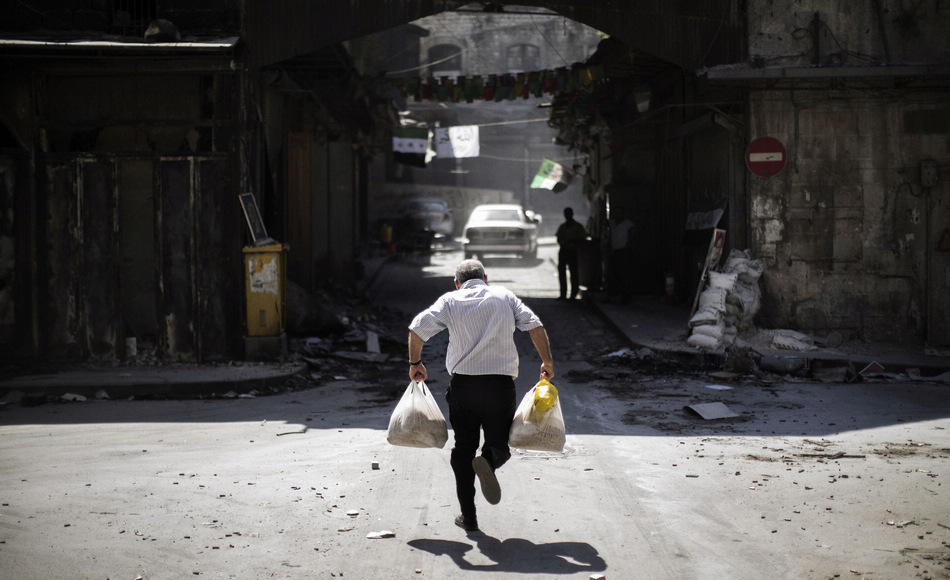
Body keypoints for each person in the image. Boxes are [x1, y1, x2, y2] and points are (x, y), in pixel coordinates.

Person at [408, 259, 554, 532]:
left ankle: (469, 517)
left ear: (456, 282)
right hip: (500, 387)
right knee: (499, 445)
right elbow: (534, 325)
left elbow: (417, 329)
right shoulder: (504, 296)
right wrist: (547, 361)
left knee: (463, 450)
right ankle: (488, 460)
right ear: (485, 278)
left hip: (464, 387)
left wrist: (415, 363)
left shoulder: (450, 300)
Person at [554, 207, 588, 300]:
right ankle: (563, 294)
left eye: (568, 214)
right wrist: (563, 242)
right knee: (562, 273)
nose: (567, 216)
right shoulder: (562, 227)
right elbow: (558, 238)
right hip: (564, 250)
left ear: (572, 214)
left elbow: (582, 239)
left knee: (574, 273)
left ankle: (573, 294)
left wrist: (572, 241)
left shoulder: (578, 227)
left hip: (573, 251)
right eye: (566, 214)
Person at [606, 205, 634, 304]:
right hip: (614, 251)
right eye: (616, 213)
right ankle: (613, 296)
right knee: (613, 275)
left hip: (624, 251)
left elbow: (631, 236)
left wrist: (628, 246)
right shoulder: (612, 223)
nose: (618, 215)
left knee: (624, 275)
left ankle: (625, 297)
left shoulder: (628, 223)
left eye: (620, 213)